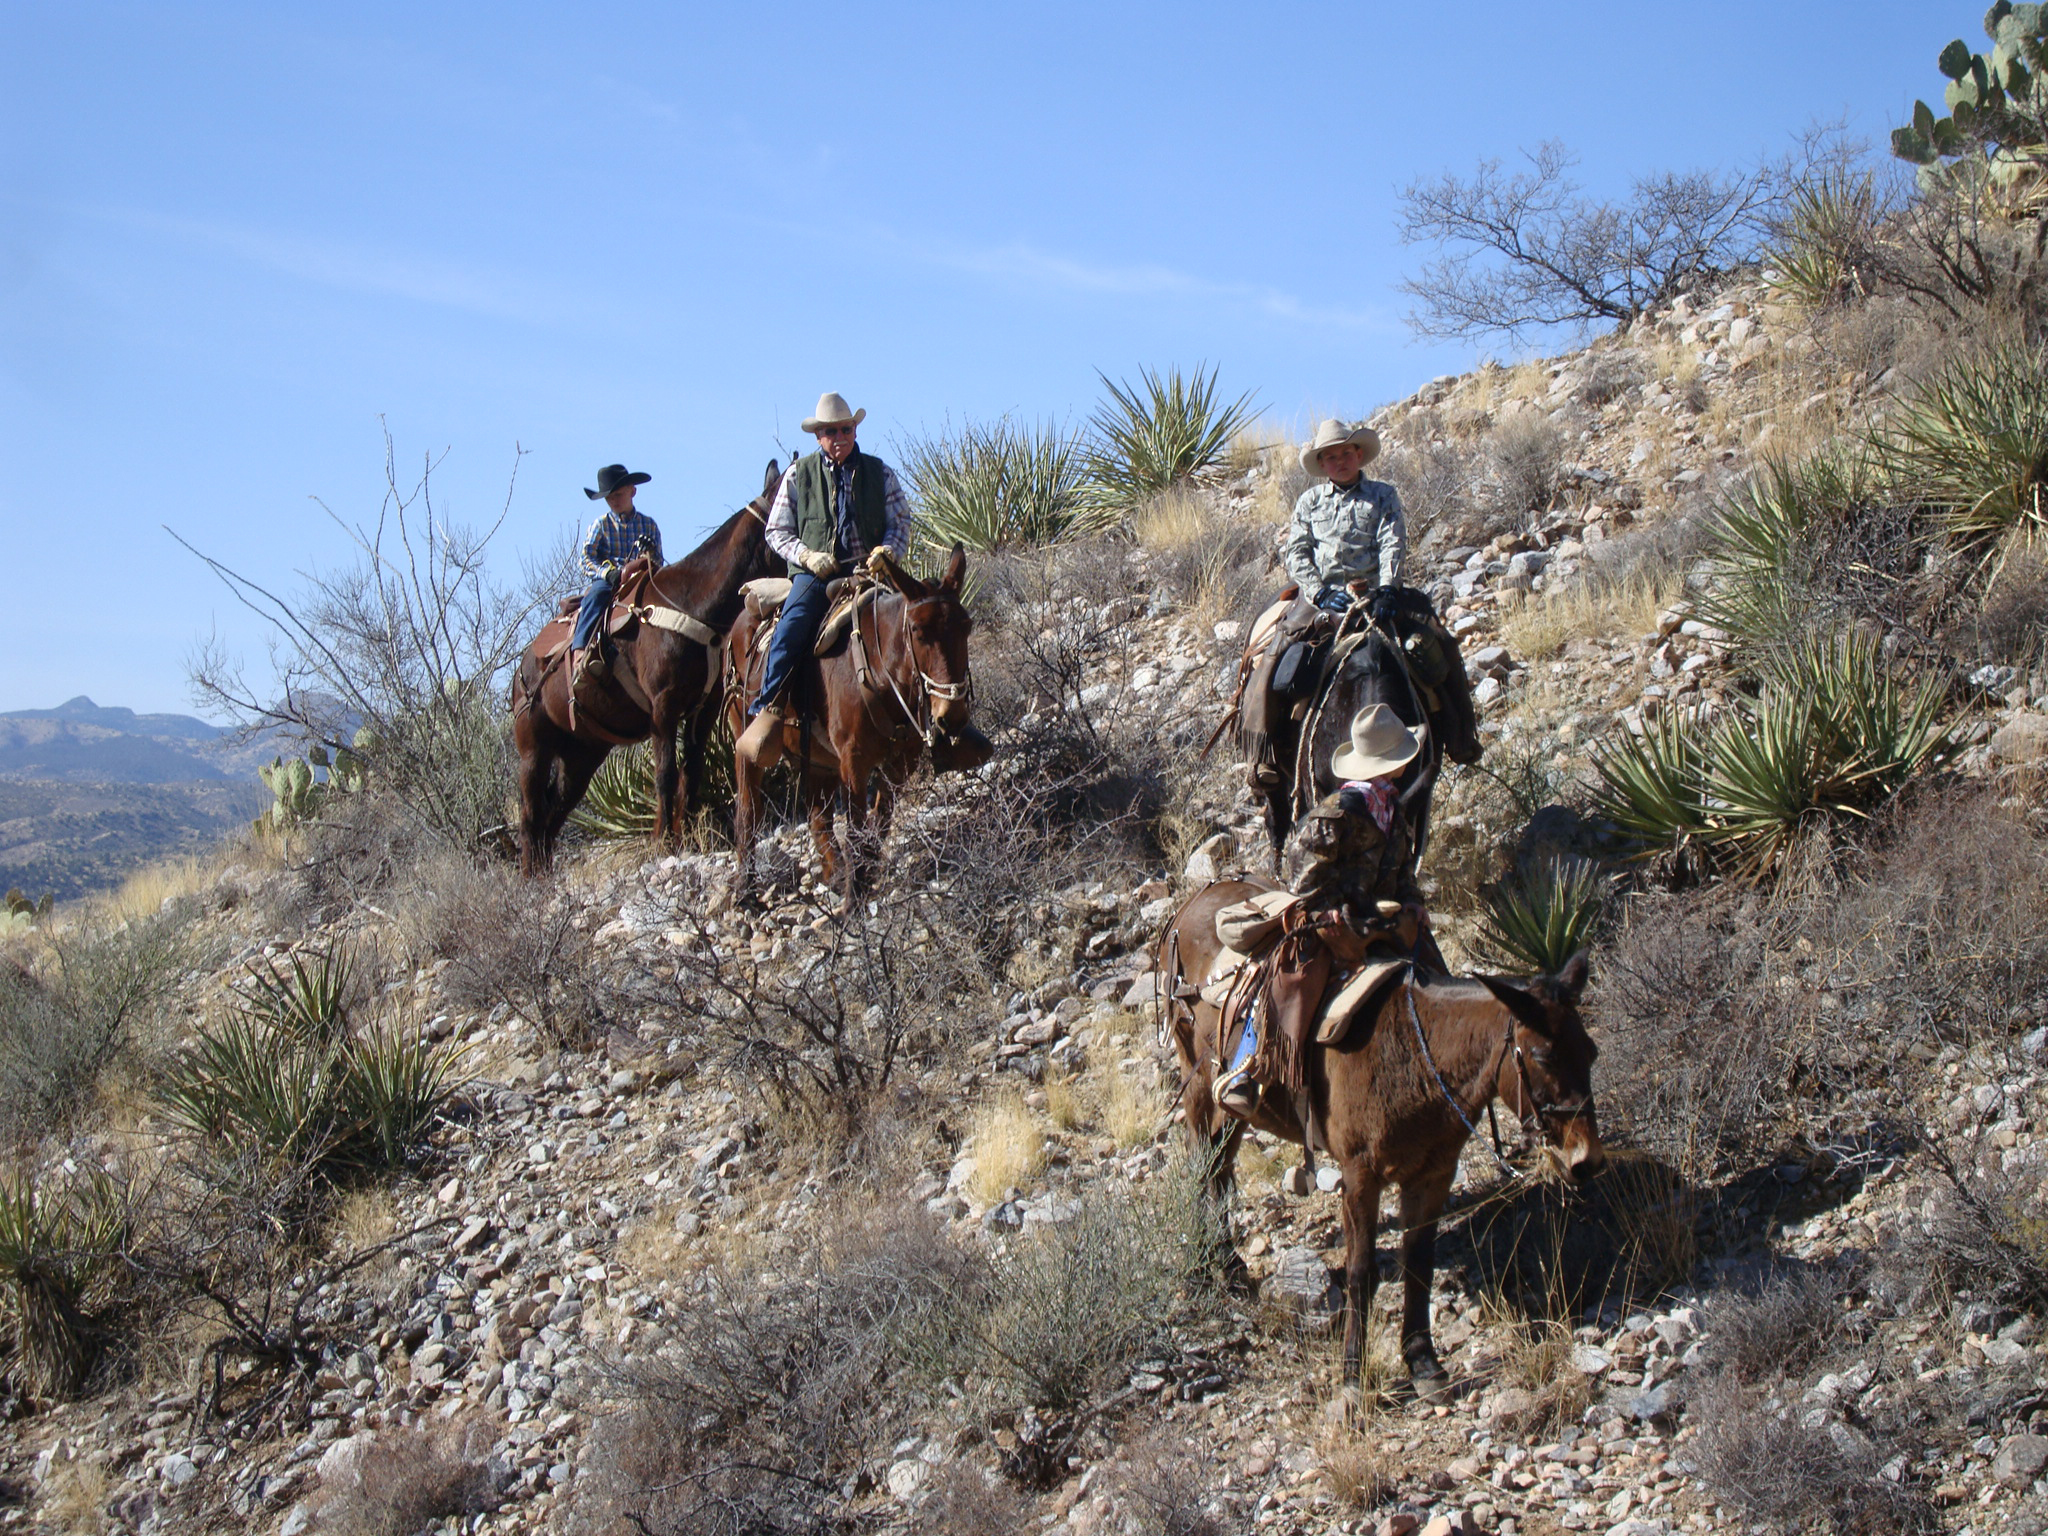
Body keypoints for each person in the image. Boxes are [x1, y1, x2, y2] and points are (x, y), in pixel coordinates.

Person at [1214, 703, 1425, 1117]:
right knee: (1297, 977)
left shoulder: (1394, 810)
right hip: (1332, 918)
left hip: (1380, 917)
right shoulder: (1336, 814)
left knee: (1431, 966)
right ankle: (1249, 1065)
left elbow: (1403, 870)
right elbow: (1302, 881)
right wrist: (1335, 912)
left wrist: (1413, 902)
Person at [736, 392, 911, 760]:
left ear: (855, 429)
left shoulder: (881, 473)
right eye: (831, 431)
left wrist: (889, 551)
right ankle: (768, 711)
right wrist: (807, 556)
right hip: (815, 576)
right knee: (790, 628)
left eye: (846, 429)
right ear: (818, 437)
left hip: (871, 573)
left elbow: (900, 522)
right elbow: (776, 531)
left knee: (923, 622)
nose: (840, 437)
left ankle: (942, 722)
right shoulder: (800, 475)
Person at [1282, 419, 1406, 614]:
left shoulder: (1383, 494)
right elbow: (1296, 552)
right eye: (1331, 457)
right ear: (1321, 464)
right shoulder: (1310, 500)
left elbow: (1392, 542)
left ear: (1358, 454)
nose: (1340, 461)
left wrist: (1387, 588)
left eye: (1346, 454)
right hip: (1325, 596)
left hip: (1374, 593)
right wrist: (1319, 593)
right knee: (1290, 641)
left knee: (1426, 635)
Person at [571, 464, 663, 683]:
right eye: (609, 497)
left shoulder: (648, 525)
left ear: (632, 491)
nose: (614, 500)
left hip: (642, 578)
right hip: (610, 580)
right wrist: (608, 573)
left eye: (618, 494)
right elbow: (585, 558)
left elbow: (658, 559)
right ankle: (580, 650)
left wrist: (648, 557)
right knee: (595, 596)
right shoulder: (600, 525)